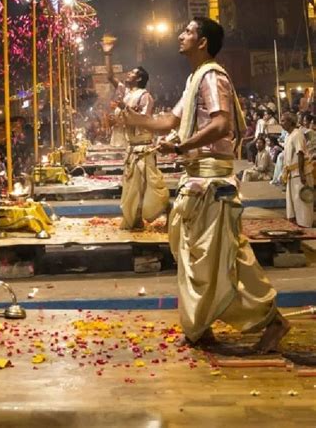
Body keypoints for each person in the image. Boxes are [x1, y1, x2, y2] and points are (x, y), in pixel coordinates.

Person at [123, 17, 289, 353]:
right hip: (196, 180)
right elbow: (169, 121)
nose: (180, 35)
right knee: (196, 256)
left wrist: (181, 147)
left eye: (187, 31)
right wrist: (134, 120)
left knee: (224, 256)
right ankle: (203, 326)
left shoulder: (212, 76)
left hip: (212, 182)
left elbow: (222, 124)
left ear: (202, 42)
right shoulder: (194, 79)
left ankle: (272, 321)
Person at [106, 60, 168, 229]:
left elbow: (144, 121)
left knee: (145, 188)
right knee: (131, 187)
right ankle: (134, 220)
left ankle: (155, 215)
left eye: (132, 73)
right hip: (131, 147)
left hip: (143, 147)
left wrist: (124, 108)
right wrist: (107, 53)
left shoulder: (144, 96)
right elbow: (110, 77)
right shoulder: (126, 92)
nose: (128, 74)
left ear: (139, 78)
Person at [281, 112, 314, 228]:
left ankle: (305, 224)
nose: (281, 123)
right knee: (293, 201)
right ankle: (297, 224)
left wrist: (301, 173)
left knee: (302, 199)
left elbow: (300, 153)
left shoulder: (297, 134)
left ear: (290, 122)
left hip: (300, 172)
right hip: (291, 173)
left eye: (283, 121)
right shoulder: (288, 135)